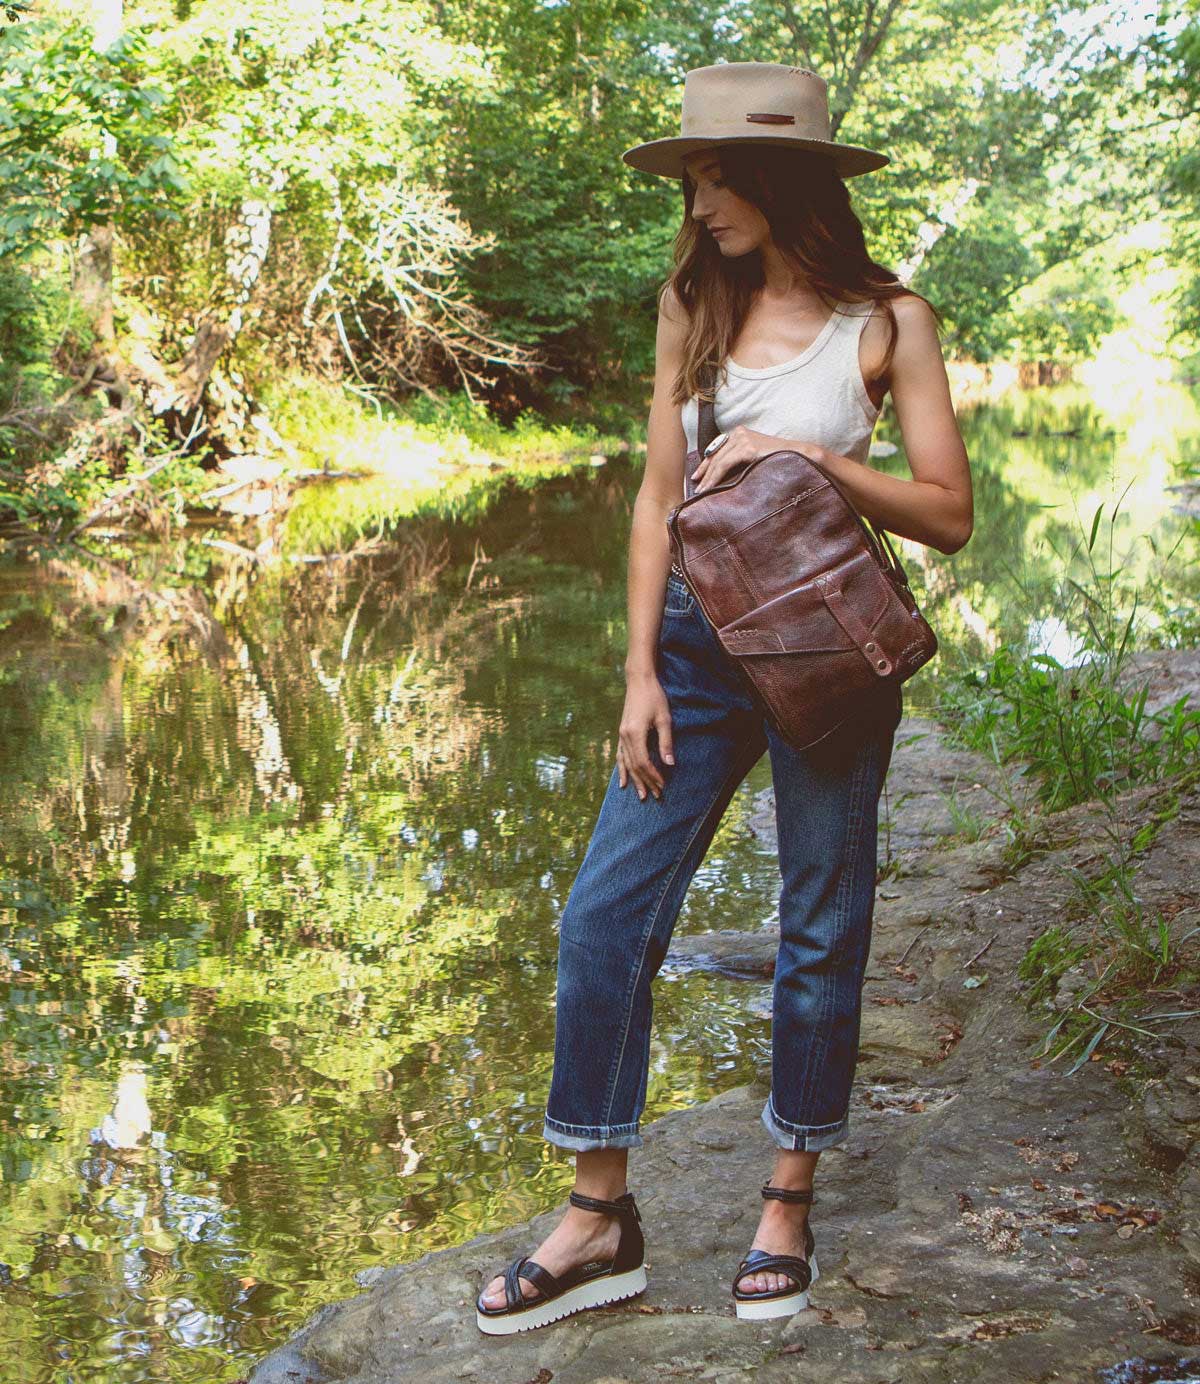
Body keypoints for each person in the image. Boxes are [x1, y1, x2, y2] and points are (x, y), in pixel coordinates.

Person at [477, 60, 973, 1333]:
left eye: (715, 176)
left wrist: (808, 454)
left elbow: (949, 516)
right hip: (695, 649)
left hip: (823, 652)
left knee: (818, 925)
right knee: (601, 915)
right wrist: (639, 668)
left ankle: (788, 1199)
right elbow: (655, 499)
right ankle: (599, 1215)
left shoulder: (887, 321)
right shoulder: (689, 306)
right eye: (691, 179)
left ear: (783, 177)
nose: (699, 203)